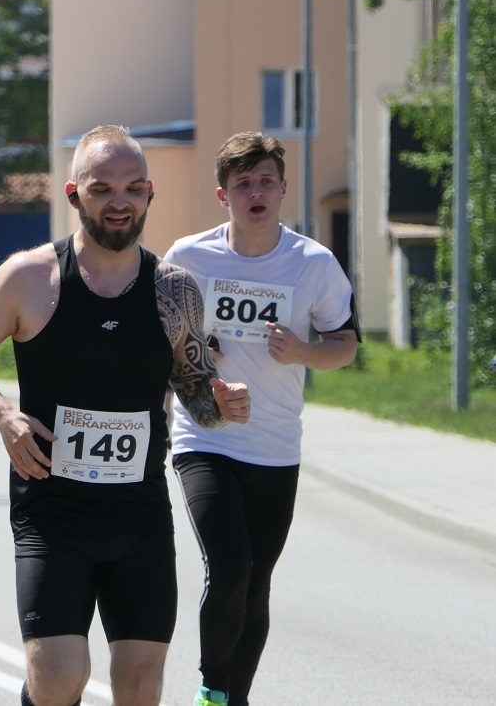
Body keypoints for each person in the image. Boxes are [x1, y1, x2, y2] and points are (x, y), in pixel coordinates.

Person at [0, 125, 251, 706]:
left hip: (138, 514)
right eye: (102, 188)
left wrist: (222, 402)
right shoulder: (31, 276)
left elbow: (196, 396)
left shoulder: (174, 291)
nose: (119, 201)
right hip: (52, 511)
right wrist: (4, 416)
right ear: (74, 194)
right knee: (59, 678)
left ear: (149, 194)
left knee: (141, 685)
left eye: (132, 188)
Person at [164, 132, 359, 706]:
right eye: (243, 183)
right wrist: (196, 361)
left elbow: (345, 345)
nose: (256, 192)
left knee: (255, 583)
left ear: (282, 190)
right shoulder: (188, 258)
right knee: (229, 567)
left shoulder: (313, 263)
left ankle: (236, 699)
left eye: (266, 182)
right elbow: (158, 341)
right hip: (205, 436)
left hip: (275, 446)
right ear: (222, 195)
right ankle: (212, 690)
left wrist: (302, 351)